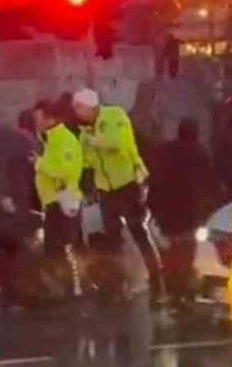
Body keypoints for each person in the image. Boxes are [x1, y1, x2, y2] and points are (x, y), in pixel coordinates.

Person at [73, 88, 164, 306]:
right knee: (112, 240)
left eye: (79, 107)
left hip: (129, 183)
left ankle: (157, 284)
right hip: (106, 189)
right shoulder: (85, 131)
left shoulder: (115, 116)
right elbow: (87, 160)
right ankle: (118, 285)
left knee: (139, 232)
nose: (77, 112)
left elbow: (118, 144)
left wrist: (95, 141)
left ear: (91, 106)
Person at [148, 117, 222, 308]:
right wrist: (213, 207)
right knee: (187, 252)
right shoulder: (200, 154)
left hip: (168, 211)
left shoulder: (165, 152)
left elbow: (154, 180)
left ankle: (170, 288)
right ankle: (184, 290)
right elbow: (210, 183)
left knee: (171, 250)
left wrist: (153, 206)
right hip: (191, 212)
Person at [32, 99, 84, 299]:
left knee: (63, 247)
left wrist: (39, 164)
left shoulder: (64, 139)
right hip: (52, 202)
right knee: (53, 248)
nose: (36, 122)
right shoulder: (49, 139)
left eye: (39, 118)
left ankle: (72, 288)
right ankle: (63, 287)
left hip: (63, 201)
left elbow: (64, 170)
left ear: (50, 118)